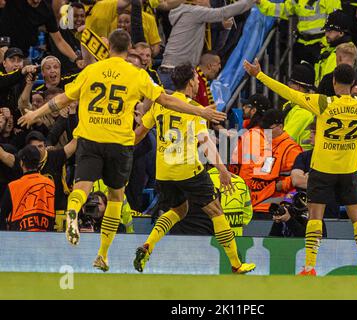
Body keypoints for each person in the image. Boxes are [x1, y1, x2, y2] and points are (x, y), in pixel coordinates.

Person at [17, 29, 226, 272]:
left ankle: (73, 211)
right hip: (119, 143)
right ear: (129, 50)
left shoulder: (91, 71)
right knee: (116, 197)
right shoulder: (136, 75)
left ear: (108, 49)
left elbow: (62, 99)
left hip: (90, 138)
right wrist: (201, 111)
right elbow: (167, 100)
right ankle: (102, 255)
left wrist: (34, 113)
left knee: (81, 188)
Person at [244, 57, 357, 276]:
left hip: (322, 170)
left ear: (334, 82)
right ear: (351, 83)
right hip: (348, 171)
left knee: (315, 217)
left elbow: (288, 93)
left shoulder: (323, 103)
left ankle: (310, 266)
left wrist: (259, 75)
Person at [133, 63, 256, 274]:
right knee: (216, 211)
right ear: (191, 81)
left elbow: (139, 133)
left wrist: (119, 150)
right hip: (187, 169)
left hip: (163, 172)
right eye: (197, 79)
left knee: (178, 210)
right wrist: (223, 170)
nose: (199, 82)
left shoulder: (159, 105)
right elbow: (206, 144)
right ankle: (236, 264)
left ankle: (148, 246)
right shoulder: (194, 109)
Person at [158, 0, 254, 90]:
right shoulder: (194, 12)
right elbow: (223, 12)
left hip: (168, 71)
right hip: (176, 74)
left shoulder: (183, 11)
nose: (209, 2)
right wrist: (250, 1)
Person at [170, 166, 253, 236]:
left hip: (212, 240)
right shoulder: (240, 181)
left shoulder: (200, 183)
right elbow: (247, 215)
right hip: (237, 240)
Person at [249, 109, 303, 215]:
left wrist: (282, 185)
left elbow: (297, 177)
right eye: (263, 129)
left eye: (269, 129)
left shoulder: (291, 148)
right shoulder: (264, 145)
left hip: (274, 206)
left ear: (280, 127)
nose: (265, 132)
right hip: (257, 203)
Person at [256, 0, 341, 65]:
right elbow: (283, 10)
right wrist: (262, 3)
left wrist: (325, 43)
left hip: (320, 46)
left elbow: (336, 21)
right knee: (297, 80)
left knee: (317, 78)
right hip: (301, 44)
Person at [0, 0, 82, 65]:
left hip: (22, 56)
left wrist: (76, 59)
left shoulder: (46, 10)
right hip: (2, 50)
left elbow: (59, 41)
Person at [0, 144, 55, 231]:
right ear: (39, 162)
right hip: (46, 238)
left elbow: (2, 215)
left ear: (21, 163)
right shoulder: (50, 184)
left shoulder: (13, 186)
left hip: (18, 239)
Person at [282, 63, 316, 151]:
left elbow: (283, 139)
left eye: (290, 84)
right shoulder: (293, 105)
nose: (288, 87)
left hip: (299, 159)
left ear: (298, 86)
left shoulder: (303, 111)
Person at [314, 10, 353, 86]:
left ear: (341, 33)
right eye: (326, 31)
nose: (326, 34)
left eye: (330, 31)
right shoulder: (327, 49)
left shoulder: (347, 51)